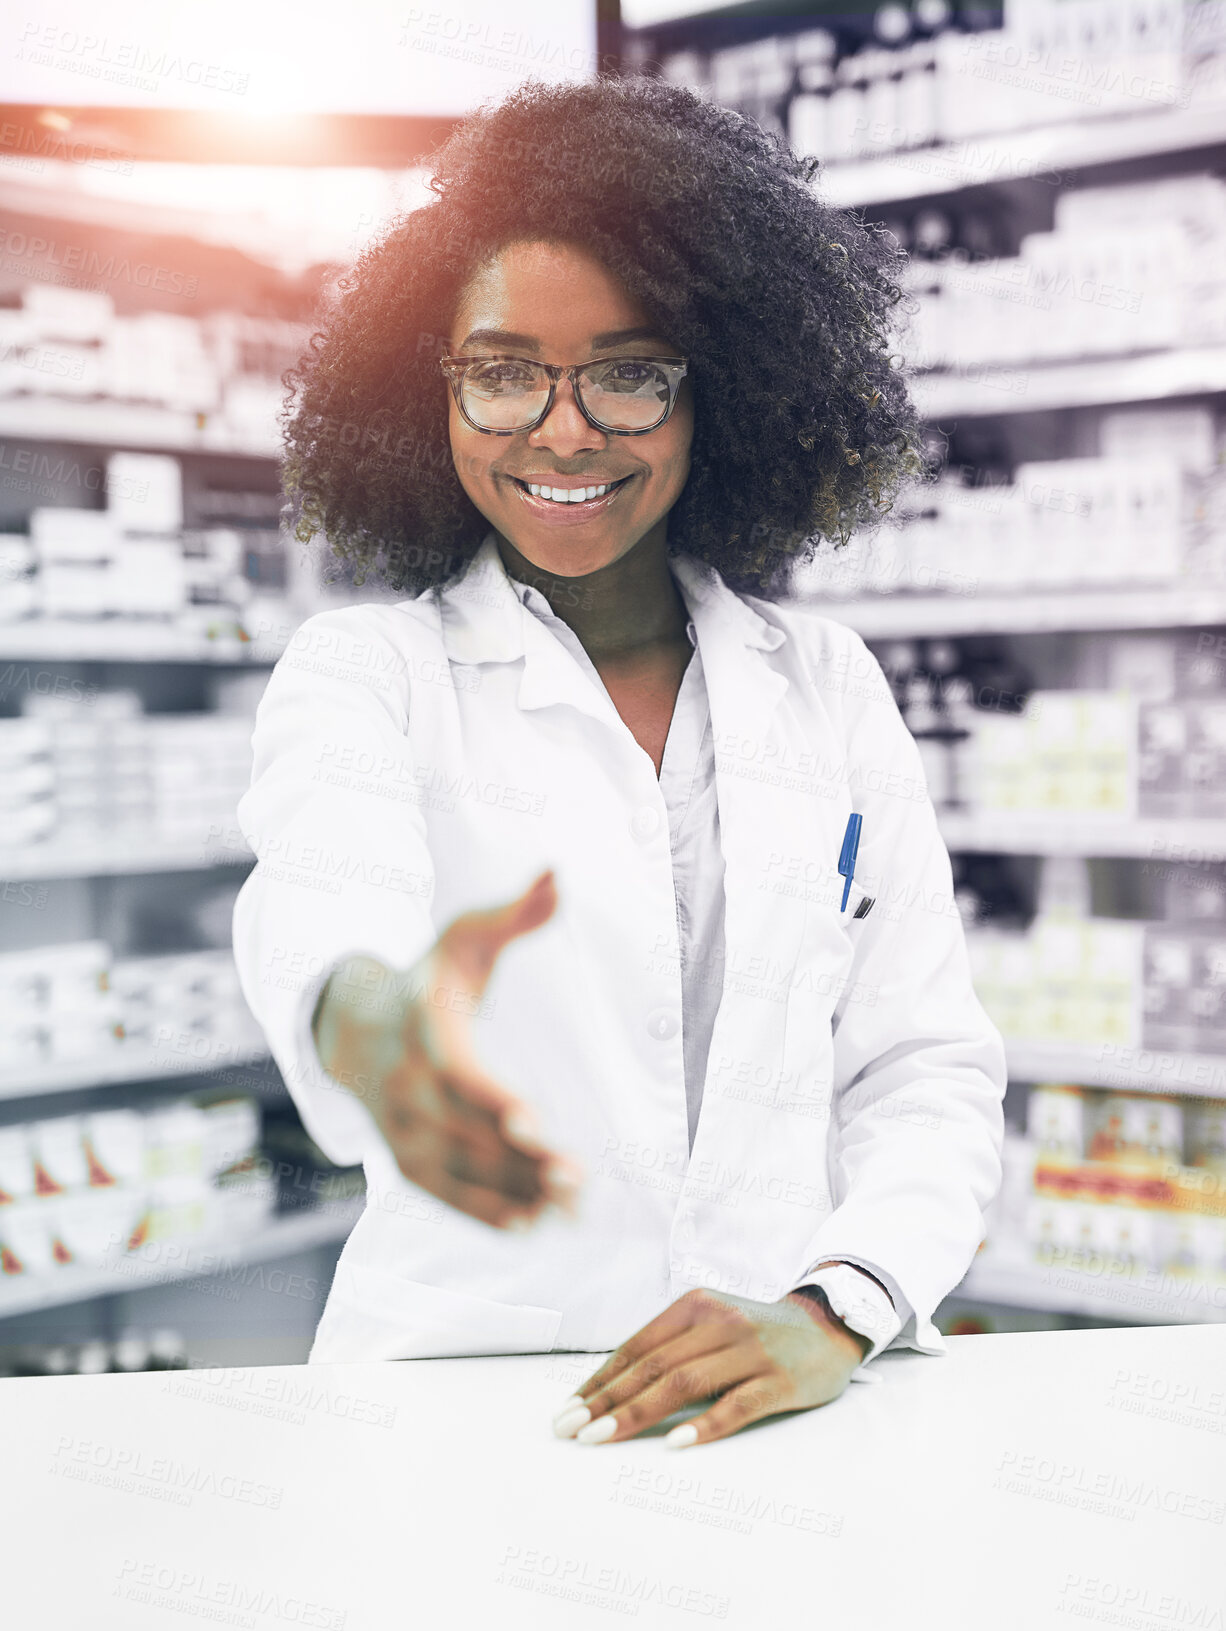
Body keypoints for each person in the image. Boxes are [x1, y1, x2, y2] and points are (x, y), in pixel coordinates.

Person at [232, 74, 1006, 1450]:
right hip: (460, 1409)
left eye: (629, 370)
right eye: (502, 370)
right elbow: (323, 902)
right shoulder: (371, 677)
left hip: (782, 1395)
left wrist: (837, 1307)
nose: (565, 428)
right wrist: (371, 1022)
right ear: (432, 388)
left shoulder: (824, 688)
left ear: (725, 393)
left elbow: (922, 1065)